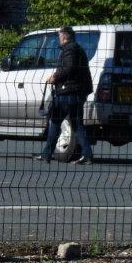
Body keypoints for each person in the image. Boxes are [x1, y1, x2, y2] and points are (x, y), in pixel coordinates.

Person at [34, 26, 94, 164]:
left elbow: (69, 67)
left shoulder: (70, 50)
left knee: (55, 121)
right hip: (78, 92)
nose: (59, 39)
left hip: (68, 92)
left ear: (65, 37)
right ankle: (87, 155)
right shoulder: (78, 49)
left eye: (60, 36)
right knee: (77, 124)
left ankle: (46, 154)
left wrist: (55, 76)